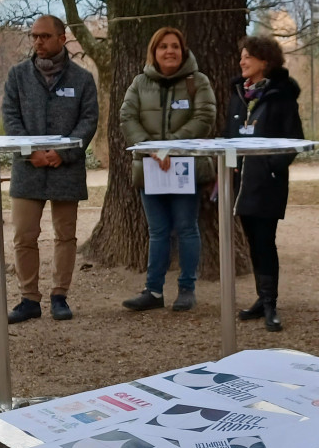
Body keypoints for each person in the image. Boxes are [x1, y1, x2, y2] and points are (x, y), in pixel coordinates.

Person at [3, 15, 99, 323]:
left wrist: (62, 153)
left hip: (66, 168)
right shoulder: (17, 76)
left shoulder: (82, 79)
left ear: (62, 38)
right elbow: (10, 117)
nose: (38, 42)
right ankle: (29, 298)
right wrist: (31, 152)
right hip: (27, 167)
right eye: (34, 36)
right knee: (24, 235)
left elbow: (88, 120)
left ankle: (60, 295)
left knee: (65, 235)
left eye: (44, 36)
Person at [119, 26, 217, 312]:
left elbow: (205, 117)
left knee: (187, 228)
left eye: (175, 46)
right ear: (154, 52)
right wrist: (151, 148)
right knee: (158, 231)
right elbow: (127, 118)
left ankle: (187, 289)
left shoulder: (197, 81)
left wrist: (169, 147)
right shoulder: (139, 83)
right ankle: (153, 291)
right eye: (163, 46)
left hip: (185, 167)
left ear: (183, 50)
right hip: (150, 167)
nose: (170, 51)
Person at [226, 35, 304, 331]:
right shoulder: (237, 94)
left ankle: (270, 303)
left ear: (265, 61)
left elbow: (294, 140)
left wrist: (271, 167)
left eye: (249, 56)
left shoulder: (281, 95)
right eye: (242, 55)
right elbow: (228, 135)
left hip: (267, 183)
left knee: (265, 242)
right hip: (240, 183)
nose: (242, 61)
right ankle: (261, 299)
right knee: (252, 243)